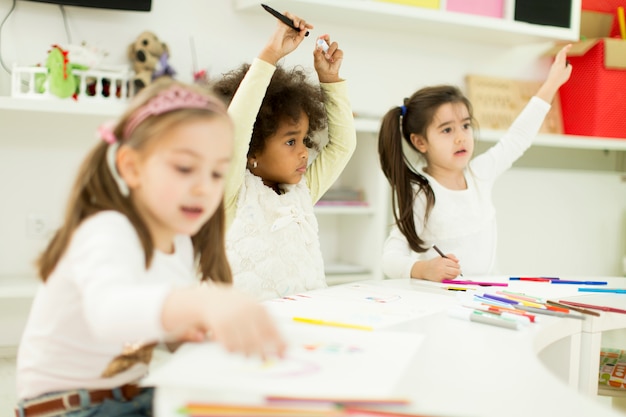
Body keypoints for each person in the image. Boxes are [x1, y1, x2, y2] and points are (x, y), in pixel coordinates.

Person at [15, 78, 285, 417]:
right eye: (185, 168)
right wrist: (200, 300)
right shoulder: (107, 230)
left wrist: (182, 331)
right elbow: (110, 314)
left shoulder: (179, 243)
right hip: (67, 409)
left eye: (217, 174)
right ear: (132, 167)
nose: (204, 188)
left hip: (127, 397)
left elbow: (142, 324)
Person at [378, 44, 572, 282]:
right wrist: (423, 269)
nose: (461, 137)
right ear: (420, 142)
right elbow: (390, 258)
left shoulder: (480, 173)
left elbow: (517, 138)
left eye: (466, 126)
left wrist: (551, 83)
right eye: (447, 130)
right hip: (441, 302)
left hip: (487, 295)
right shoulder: (421, 192)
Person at [212, 12, 357, 301]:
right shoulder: (231, 192)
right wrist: (270, 55)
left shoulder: (302, 192)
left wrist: (330, 80)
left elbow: (342, 147)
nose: (304, 151)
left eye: (304, 139)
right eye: (291, 141)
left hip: (301, 328)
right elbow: (237, 128)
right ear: (251, 150)